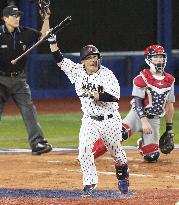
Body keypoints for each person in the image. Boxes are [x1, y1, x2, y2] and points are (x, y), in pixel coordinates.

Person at [48, 38, 129, 197]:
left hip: (110, 119)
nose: (93, 60)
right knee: (84, 149)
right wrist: (52, 40)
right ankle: (89, 182)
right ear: (83, 61)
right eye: (89, 58)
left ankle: (123, 173)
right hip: (89, 120)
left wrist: (97, 95)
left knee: (117, 154)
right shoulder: (76, 71)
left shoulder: (107, 74)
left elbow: (115, 96)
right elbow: (59, 59)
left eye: (95, 57)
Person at [92, 45, 175, 163]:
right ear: (149, 59)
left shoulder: (169, 80)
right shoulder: (142, 78)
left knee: (152, 156)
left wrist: (169, 129)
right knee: (118, 135)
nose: (160, 60)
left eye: (161, 57)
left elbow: (169, 105)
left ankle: (142, 144)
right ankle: (88, 154)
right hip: (137, 116)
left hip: (154, 120)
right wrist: (144, 121)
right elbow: (137, 101)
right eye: (156, 57)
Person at [0, 4, 52, 155]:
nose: (17, 18)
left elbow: (43, 36)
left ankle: (38, 143)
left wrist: (46, 18)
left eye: (18, 16)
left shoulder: (24, 32)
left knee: (29, 110)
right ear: (5, 18)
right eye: (13, 16)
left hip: (19, 80)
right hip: (0, 80)